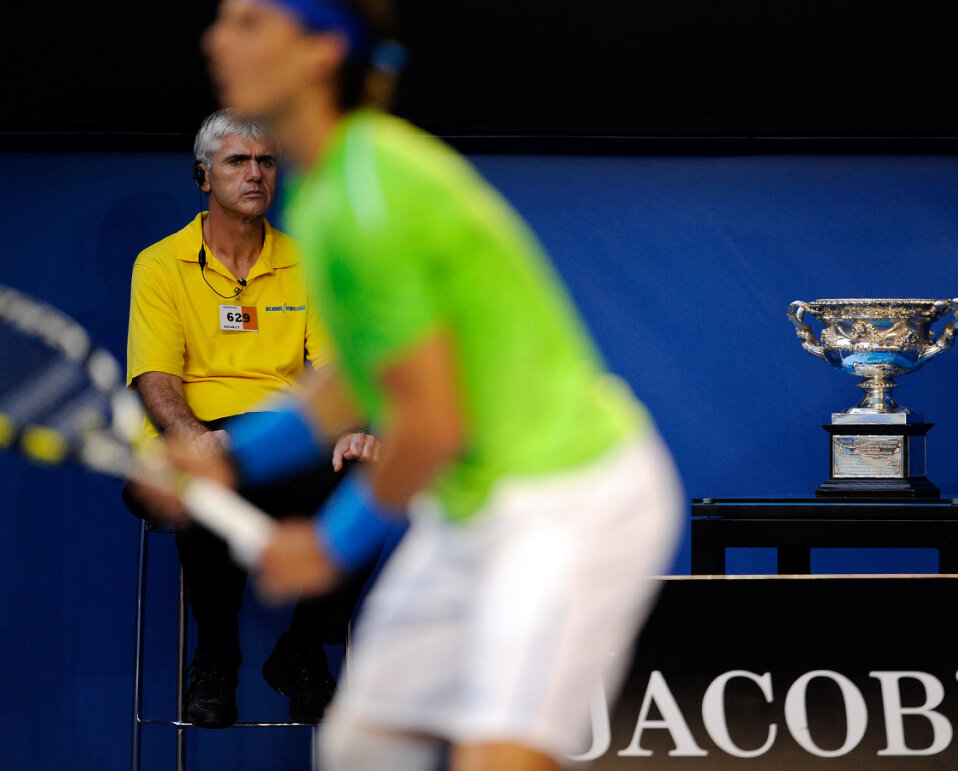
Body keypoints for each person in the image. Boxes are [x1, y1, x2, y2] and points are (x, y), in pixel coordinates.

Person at [189, 1, 684, 768]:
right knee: (361, 750)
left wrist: (330, 543)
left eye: (250, 21)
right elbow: (355, 381)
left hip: (569, 496)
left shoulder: (372, 194)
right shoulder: (326, 195)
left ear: (320, 53)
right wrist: (233, 457)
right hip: (472, 505)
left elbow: (430, 422)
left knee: (497, 757)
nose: (217, 39)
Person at [124, 108, 387, 729]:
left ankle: (302, 648)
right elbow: (156, 379)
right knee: (207, 477)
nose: (255, 175)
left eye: (266, 162)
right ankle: (215, 660)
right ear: (202, 176)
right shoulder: (159, 265)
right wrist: (194, 438)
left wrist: (352, 428)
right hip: (190, 444)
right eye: (237, 162)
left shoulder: (309, 263)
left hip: (283, 442)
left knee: (378, 478)